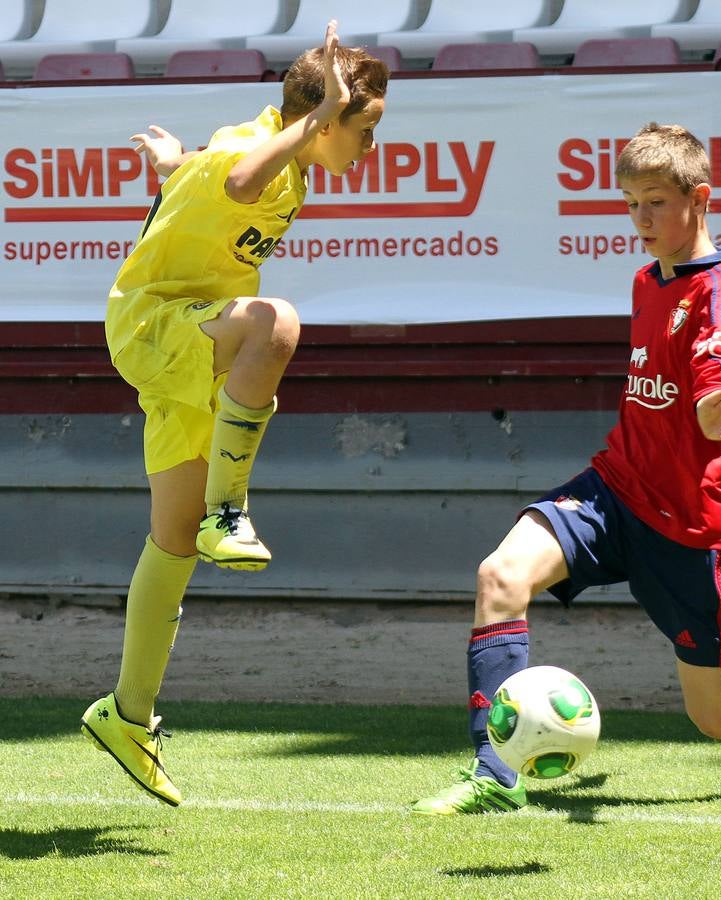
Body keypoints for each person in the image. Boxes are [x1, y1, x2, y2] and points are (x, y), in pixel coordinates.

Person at [413, 122, 721, 815]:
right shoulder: (647, 281)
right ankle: (494, 774)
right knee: (499, 575)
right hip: (613, 490)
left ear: (698, 198)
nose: (639, 220)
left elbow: (715, 378)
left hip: (687, 530)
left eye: (653, 203)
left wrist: (717, 410)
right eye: (629, 204)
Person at [80, 21, 389, 807]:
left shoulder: (256, 154)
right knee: (274, 322)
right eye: (363, 126)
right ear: (319, 119)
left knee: (170, 539)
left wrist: (170, 168)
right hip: (155, 323)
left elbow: (217, 176)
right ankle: (231, 508)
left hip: (187, 339)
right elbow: (240, 179)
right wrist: (316, 119)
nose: (368, 146)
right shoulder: (259, 157)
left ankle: (126, 714)